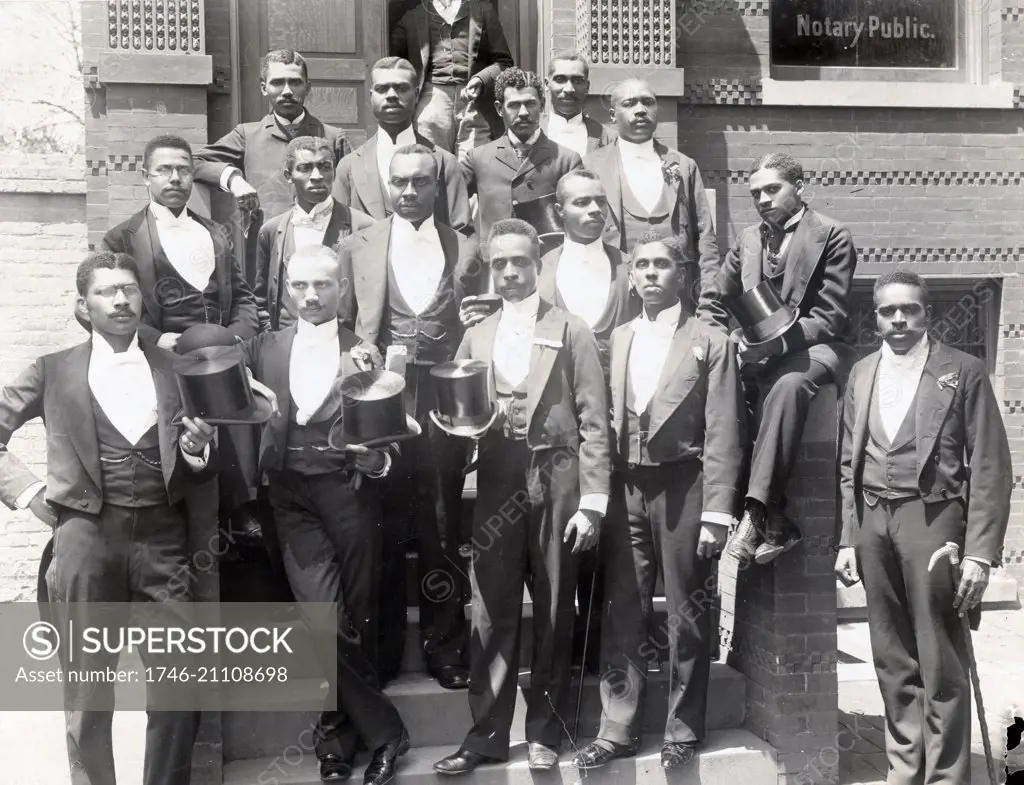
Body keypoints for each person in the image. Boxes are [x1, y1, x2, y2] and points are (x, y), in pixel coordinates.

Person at [0, 251, 219, 785]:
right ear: (83, 305)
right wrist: (31, 493)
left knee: (177, 684)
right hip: (85, 541)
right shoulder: (52, 370)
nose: (120, 300)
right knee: (88, 691)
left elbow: (206, 452)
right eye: (106, 292)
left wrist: (197, 452)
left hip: (164, 543)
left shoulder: (175, 367)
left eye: (129, 290)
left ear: (143, 300)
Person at [432, 218, 610, 776]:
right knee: (491, 609)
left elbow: (594, 419)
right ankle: (485, 736)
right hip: (499, 480)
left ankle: (546, 733)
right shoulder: (477, 333)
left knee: (556, 606)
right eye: (500, 263)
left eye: (520, 262)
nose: (510, 272)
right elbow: (461, 411)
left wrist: (593, 500)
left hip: (557, 477)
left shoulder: (570, 327)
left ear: (538, 265)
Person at [571, 232, 744, 772]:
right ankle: (617, 729)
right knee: (625, 608)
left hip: (684, 486)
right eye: (641, 265)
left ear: (682, 275)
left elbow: (723, 430)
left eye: (661, 265)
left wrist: (717, 511)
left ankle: (683, 728)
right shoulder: (618, 337)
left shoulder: (710, 340)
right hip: (627, 488)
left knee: (687, 613)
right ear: (630, 275)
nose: (650, 274)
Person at [239, 245, 410, 785]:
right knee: (322, 621)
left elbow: (391, 438)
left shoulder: (366, 353)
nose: (310, 297)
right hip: (290, 496)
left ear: (342, 290)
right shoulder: (263, 348)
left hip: (349, 492)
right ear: (286, 290)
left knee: (353, 619)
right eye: (299, 287)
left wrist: (379, 458)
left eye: (322, 286)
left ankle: (336, 740)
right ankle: (387, 733)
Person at [835, 270, 1011, 785]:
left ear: (925, 312)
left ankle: (946, 777)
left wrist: (979, 552)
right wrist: (848, 538)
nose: (898, 320)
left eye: (908, 310)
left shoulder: (964, 371)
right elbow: (848, 463)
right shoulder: (862, 371)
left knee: (939, 656)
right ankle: (904, 770)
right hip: (872, 521)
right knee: (890, 654)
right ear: (876, 317)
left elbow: (991, 467)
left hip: (933, 521)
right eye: (888, 312)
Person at [339, 143, 482, 690]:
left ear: (438, 185)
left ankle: (446, 649)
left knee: (442, 522)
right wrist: (360, 353)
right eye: (398, 182)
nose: (407, 192)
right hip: (383, 395)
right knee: (382, 519)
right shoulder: (359, 243)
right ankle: (383, 652)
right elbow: (346, 320)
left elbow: (478, 314)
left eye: (420, 182)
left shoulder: (465, 246)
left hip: (445, 398)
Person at [698, 152, 857, 564]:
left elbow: (830, 317)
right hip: (761, 351)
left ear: (800, 188)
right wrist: (720, 343)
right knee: (726, 387)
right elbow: (715, 299)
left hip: (818, 349)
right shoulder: (748, 240)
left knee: (788, 386)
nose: (763, 199)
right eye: (756, 193)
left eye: (773, 189)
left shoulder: (833, 235)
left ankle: (754, 515)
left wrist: (771, 348)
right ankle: (777, 521)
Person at [101, 134, 263, 539]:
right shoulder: (121, 238)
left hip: (222, 354)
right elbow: (108, 304)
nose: (175, 178)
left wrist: (239, 338)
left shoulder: (215, 232)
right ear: (145, 177)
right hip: (165, 360)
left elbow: (243, 298)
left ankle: (243, 504)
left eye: (183, 170)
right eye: (164, 170)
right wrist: (154, 338)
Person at [536, 167, 640, 674]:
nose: (594, 210)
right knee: (564, 531)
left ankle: (599, 647)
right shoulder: (540, 269)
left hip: (619, 416)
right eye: (581, 203)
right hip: (559, 423)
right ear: (559, 211)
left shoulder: (629, 268)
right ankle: (562, 643)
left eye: (600, 201)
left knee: (613, 533)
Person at [583, 78, 717, 310]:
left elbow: (705, 237)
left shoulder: (684, 165)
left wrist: (708, 301)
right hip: (615, 295)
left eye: (648, 102)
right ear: (613, 115)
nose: (641, 110)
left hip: (679, 297)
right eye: (629, 103)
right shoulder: (591, 166)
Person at [193, 49, 350, 224]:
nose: (287, 91)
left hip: (323, 241)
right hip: (266, 244)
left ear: (308, 87)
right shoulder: (247, 135)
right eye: (277, 83)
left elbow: (352, 190)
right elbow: (194, 162)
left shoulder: (333, 138)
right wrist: (233, 180)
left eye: (295, 82)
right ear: (264, 88)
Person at [333, 57, 472, 235]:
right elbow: (340, 235)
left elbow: (463, 234)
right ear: (371, 97)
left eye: (401, 88)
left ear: (416, 94)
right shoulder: (349, 166)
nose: (391, 95)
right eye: (382, 89)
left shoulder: (445, 162)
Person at [255, 136, 376, 333]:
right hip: (289, 347)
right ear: (288, 175)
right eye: (305, 168)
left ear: (334, 172)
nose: (317, 175)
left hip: (343, 346)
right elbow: (261, 300)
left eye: (324, 167)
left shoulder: (364, 227)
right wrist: (273, 340)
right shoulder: (270, 231)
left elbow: (374, 299)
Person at [462, 67, 583, 255]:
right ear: (499, 109)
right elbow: (450, 207)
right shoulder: (477, 158)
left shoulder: (567, 160)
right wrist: (472, 248)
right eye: (514, 105)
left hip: (547, 267)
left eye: (530, 103)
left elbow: (578, 218)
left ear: (542, 105)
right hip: (494, 268)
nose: (524, 112)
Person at [390, 0, 514, 155]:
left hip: (475, 103)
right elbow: (393, 62)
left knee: (473, 166)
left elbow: (504, 62)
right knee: (432, 165)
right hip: (431, 102)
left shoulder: (483, 11)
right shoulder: (413, 17)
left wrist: (480, 79)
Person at [542, 51, 613, 158]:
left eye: (578, 81)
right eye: (560, 80)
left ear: (587, 86)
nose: (569, 89)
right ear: (547, 85)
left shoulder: (607, 137)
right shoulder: (533, 131)